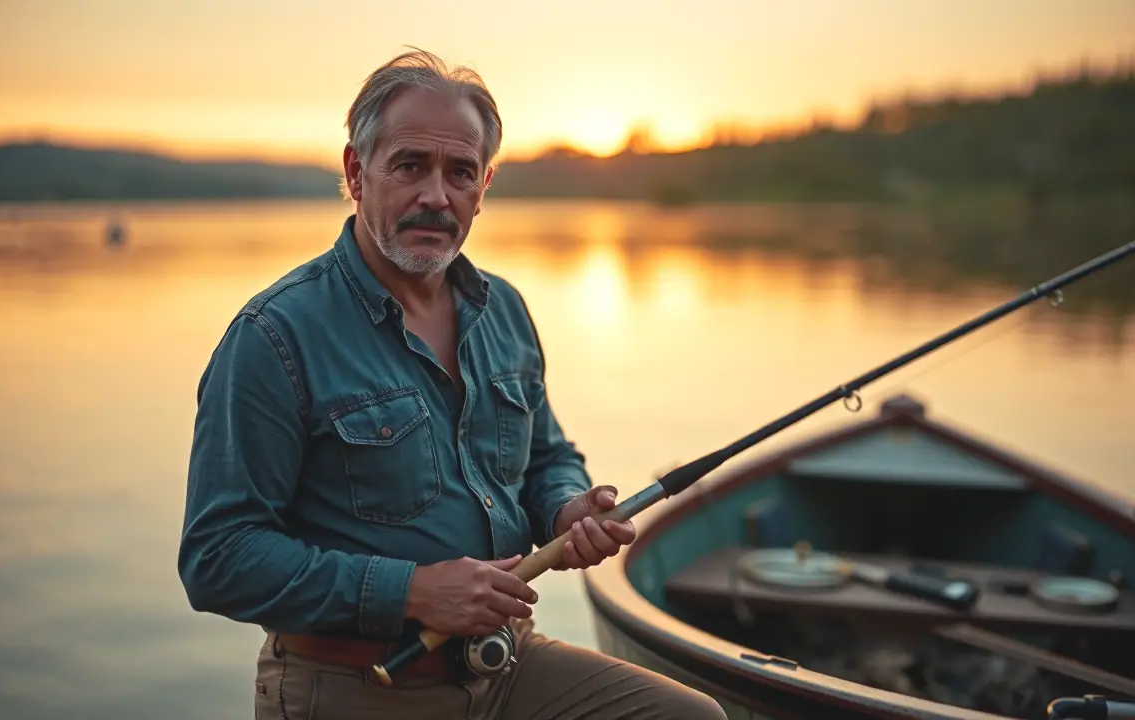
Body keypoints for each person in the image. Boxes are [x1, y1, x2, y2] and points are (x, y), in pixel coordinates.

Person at [177, 48, 728, 720]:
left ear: (483, 186)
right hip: (359, 683)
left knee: (689, 717)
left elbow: (546, 456)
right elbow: (218, 558)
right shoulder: (274, 335)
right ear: (357, 171)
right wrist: (409, 591)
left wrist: (566, 510)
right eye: (411, 165)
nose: (436, 195)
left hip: (506, 663)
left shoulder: (507, 311)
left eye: (460, 173)